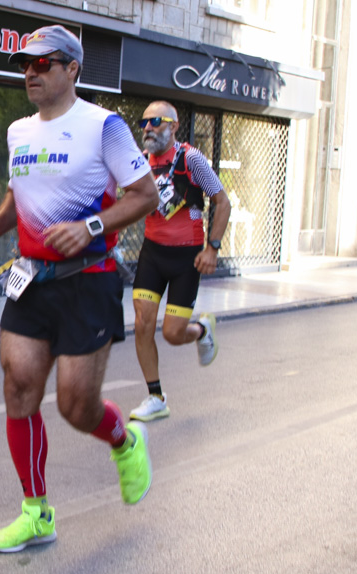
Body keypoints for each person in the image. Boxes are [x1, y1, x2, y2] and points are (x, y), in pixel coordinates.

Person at [0, 25, 160, 553]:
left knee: (76, 406)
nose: (31, 72)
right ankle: (36, 512)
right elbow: (16, 193)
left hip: (88, 281)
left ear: (73, 69)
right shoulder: (19, 131)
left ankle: (125, 438)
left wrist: (90, 227)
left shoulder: (104, 127)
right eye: (27, 64)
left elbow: (145, 195)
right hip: (31, 279)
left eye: (44, 63)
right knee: (19, 388)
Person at [127, 100, 231, 422]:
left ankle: (201, 330)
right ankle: (156, 396)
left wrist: (212, 248)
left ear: (173, 126)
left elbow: (222, 201)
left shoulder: (191, 159)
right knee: (143, 324)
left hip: (187, 256)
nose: (148, 128)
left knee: (172, 334)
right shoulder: (141, 162)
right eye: (144, 122)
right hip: (152, 253)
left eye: (155, 122)